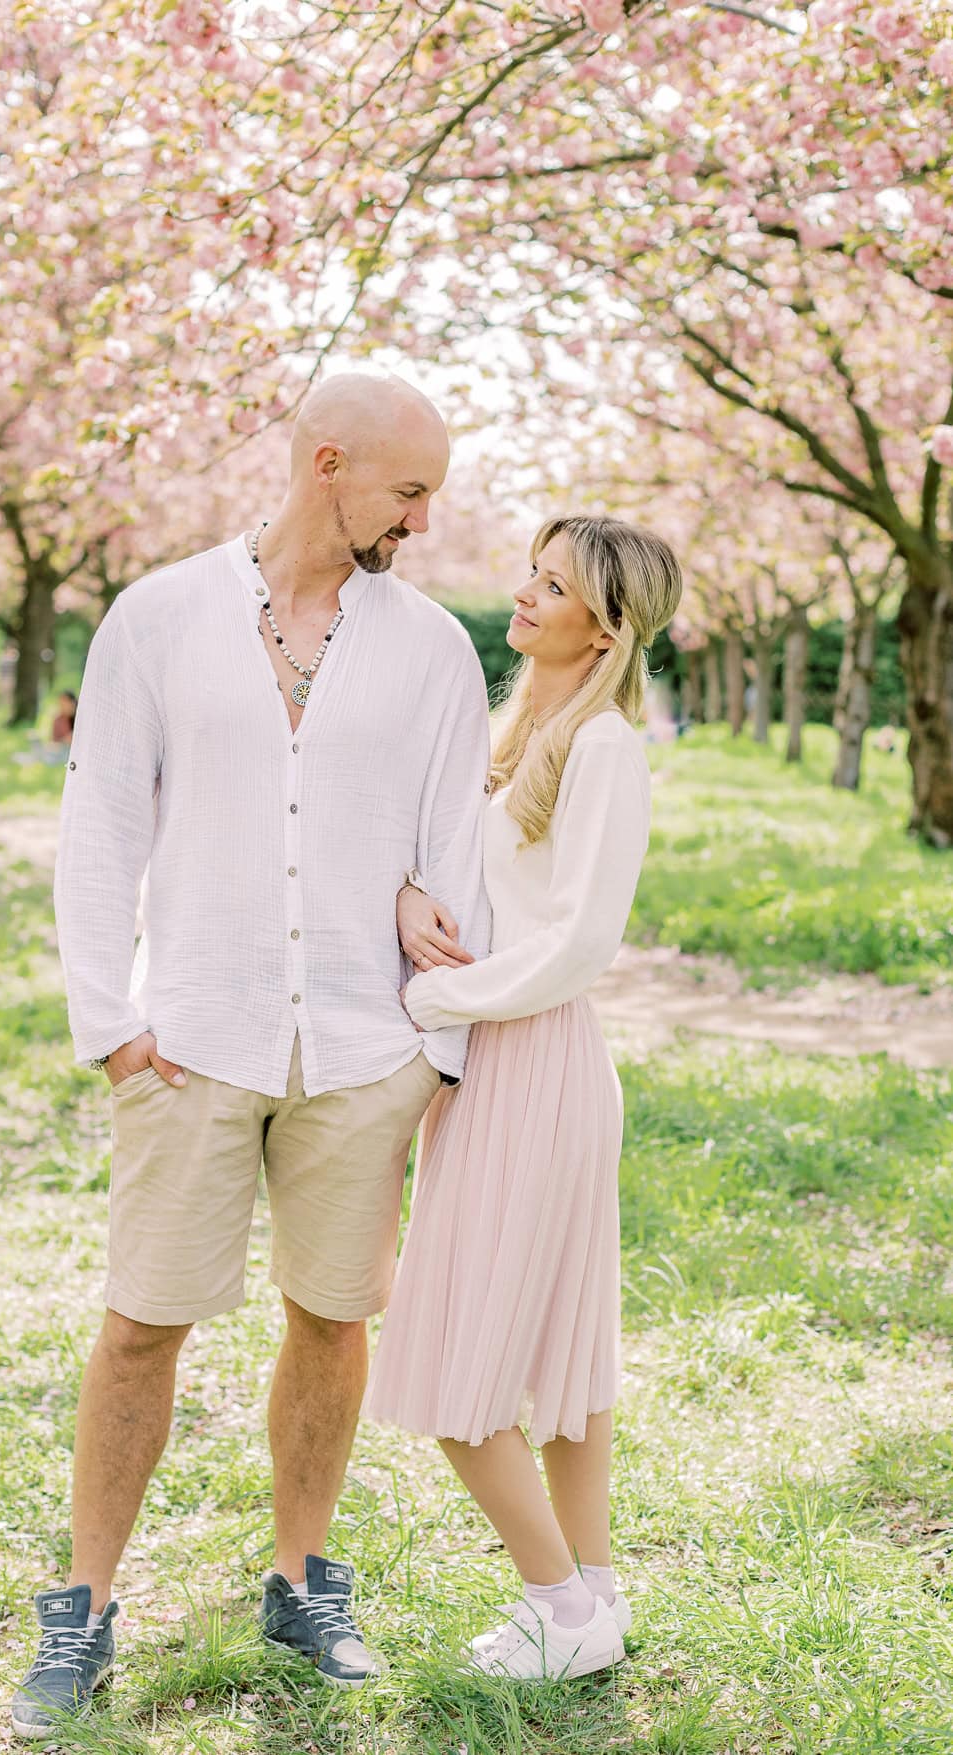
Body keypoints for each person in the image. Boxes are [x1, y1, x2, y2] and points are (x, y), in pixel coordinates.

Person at [11, 373, 491, 1738]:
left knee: (332, 1314)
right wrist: (109, 1022)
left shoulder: (435, 650)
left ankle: (298, 1574)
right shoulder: (156, 617)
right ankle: (86, 1604)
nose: (421, 519)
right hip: (191, 1036)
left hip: (361, 1043)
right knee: (140, 1320)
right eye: (406, 491)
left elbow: (450, 844)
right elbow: (101, 822)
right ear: (325, 462)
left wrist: (431, 1050)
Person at [365, 514, 683, 1682]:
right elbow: (477, 884)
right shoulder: (519, 730)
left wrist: (436, 1006)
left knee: (462, 1369)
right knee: (553, 1356)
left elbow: (583, 941)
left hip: (533, 1053)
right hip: (496, 1054)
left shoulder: (605, 749)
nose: (526, 596)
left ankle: (555, 1603)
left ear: (604, 627)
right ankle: (591, 1599)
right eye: (533, 575)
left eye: (552, 587)